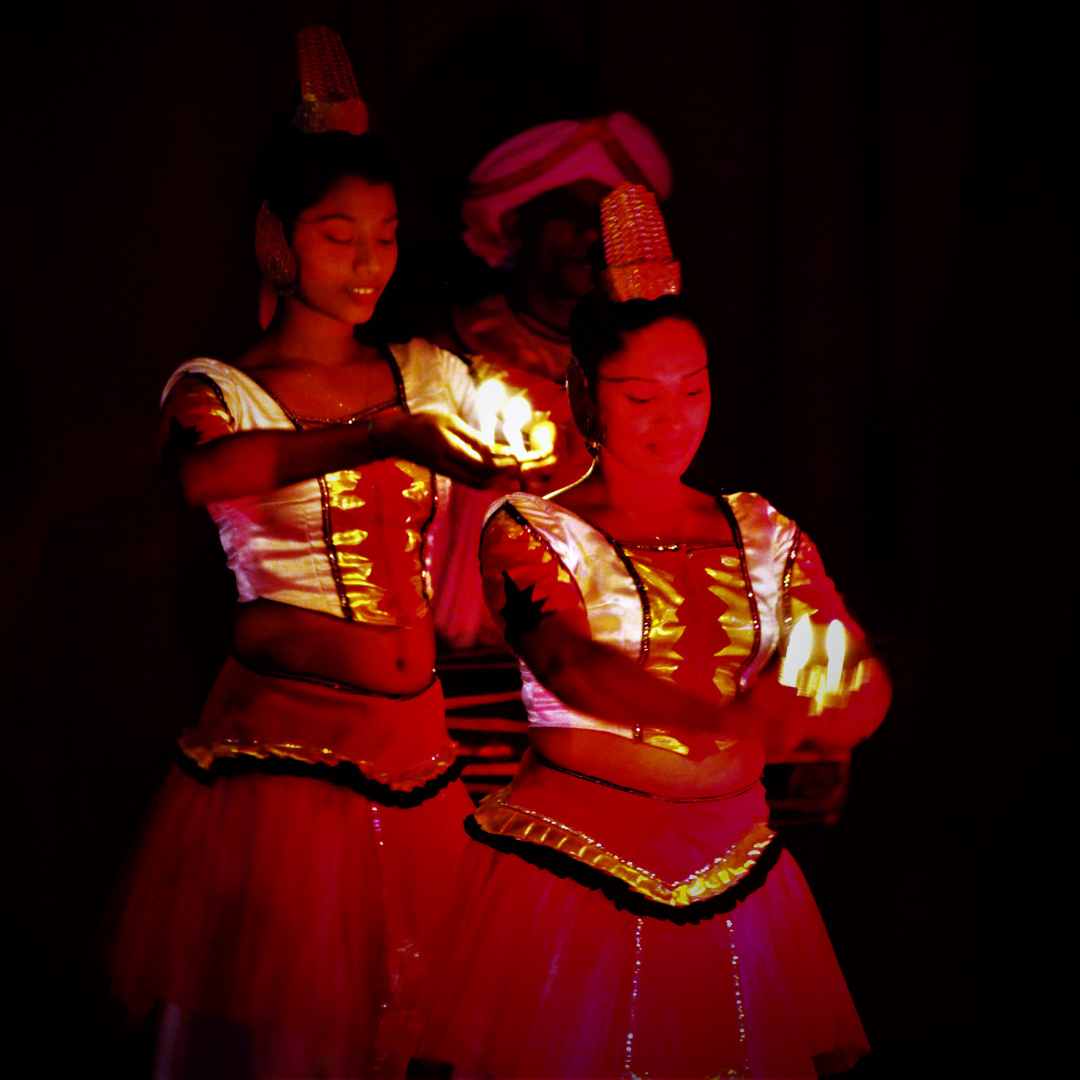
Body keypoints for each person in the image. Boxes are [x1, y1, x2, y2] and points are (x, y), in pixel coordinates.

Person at [104, 28, 533, 1079]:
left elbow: (525, 475)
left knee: (414, 1033)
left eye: (385, 236)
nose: (368, 262)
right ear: (277, 239)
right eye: (339, 234)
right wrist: (378, 437)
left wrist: (534, 441)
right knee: (291, 1041)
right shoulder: (219, 390)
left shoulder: (427, 371)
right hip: (285, 775)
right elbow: (205, 477)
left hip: (424, 763)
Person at [415, 185, 891, 1078]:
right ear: (584, 395)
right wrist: (720, 718)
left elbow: (854, 669)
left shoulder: (761, 530)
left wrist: (831, 704)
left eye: (694, 390)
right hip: (575, 877)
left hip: (740, 870)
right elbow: (569, 661)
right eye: (641, 396)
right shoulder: (530, 530)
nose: (675, 420)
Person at [429, 113, 673, 647]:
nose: (590, 234)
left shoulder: (647, 360)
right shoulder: (447, 353)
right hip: (469, 644)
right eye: (567, 213)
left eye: (602, 215)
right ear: (518, 224)